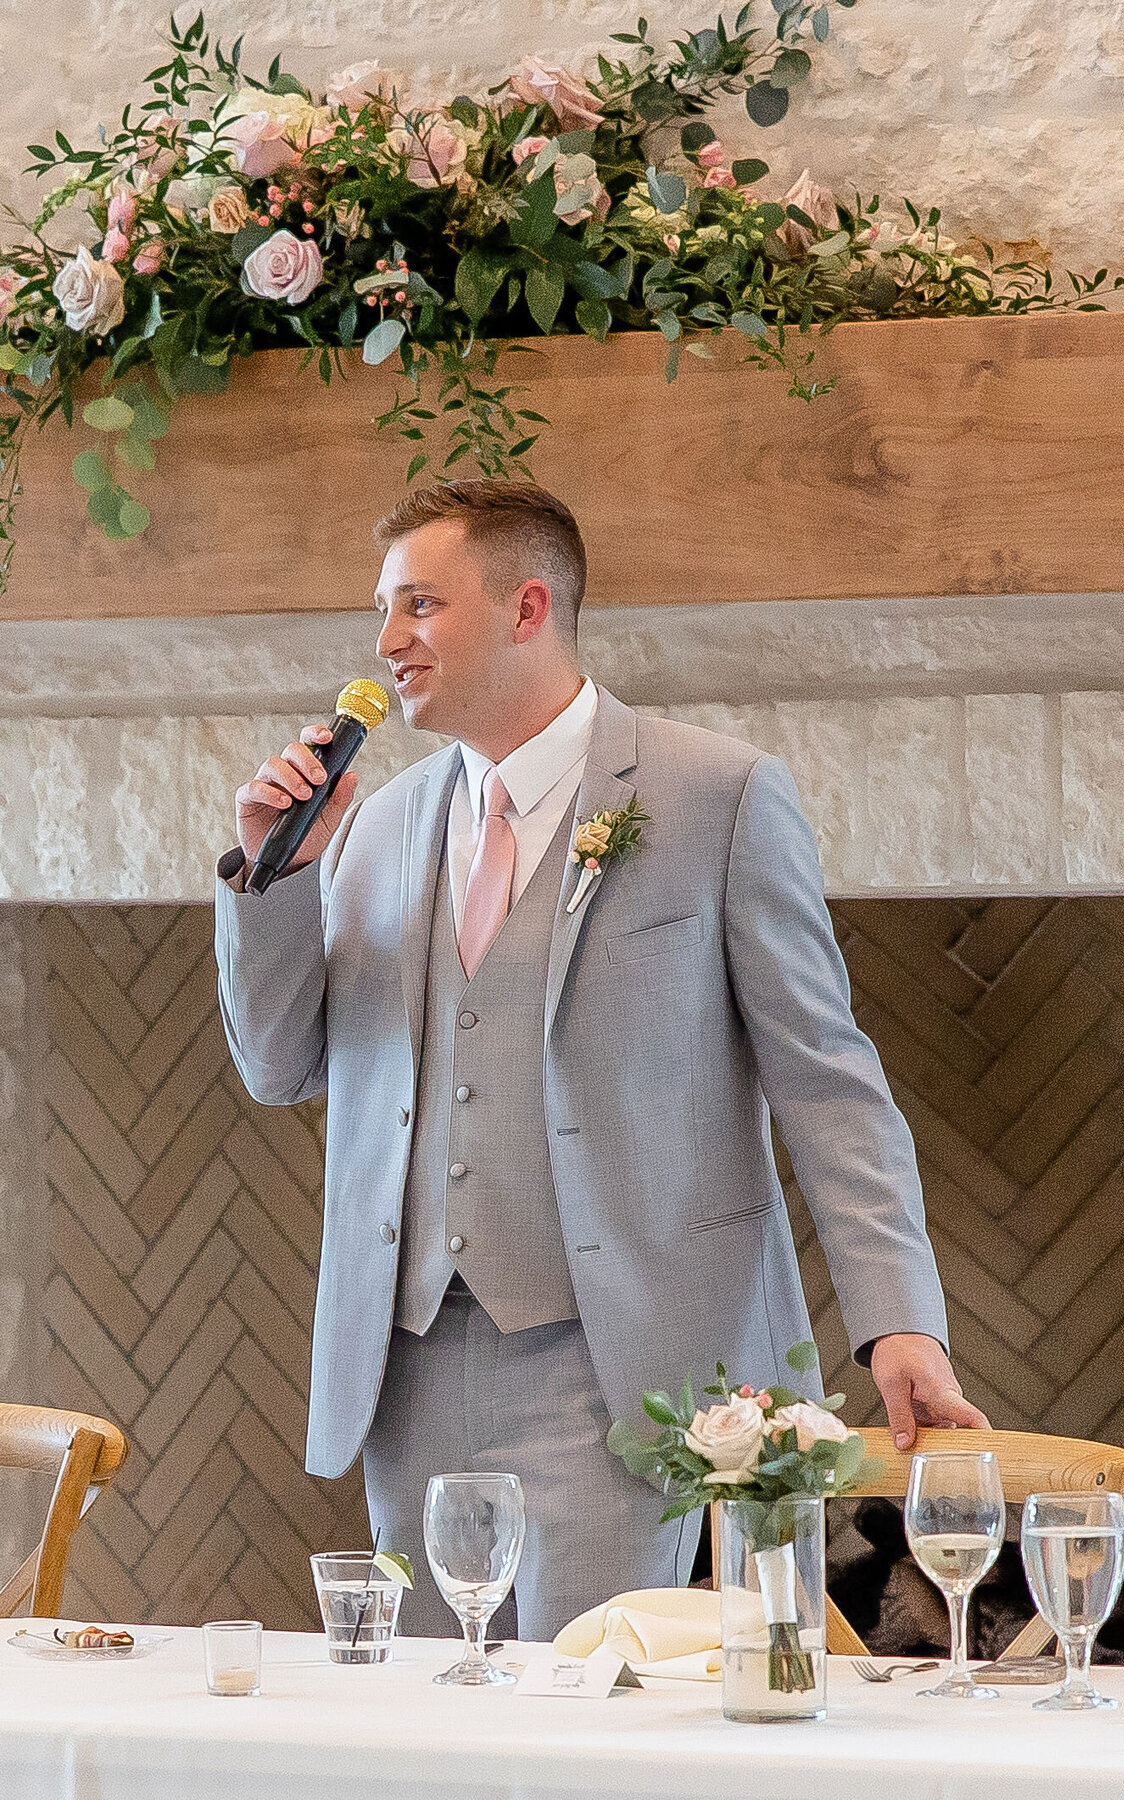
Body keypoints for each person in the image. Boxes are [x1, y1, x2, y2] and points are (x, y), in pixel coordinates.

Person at [214, 479, 987, 1639]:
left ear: (527, 607)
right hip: (408, 1364)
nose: (386, 644)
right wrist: (272, 879)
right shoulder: (375, 824)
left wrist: (900, 1321)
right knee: (421, 1738)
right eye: (384, 610)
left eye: (418, 606)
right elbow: (281, 1069)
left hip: (622, 1367)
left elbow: (828, 1081)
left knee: (587, 1720)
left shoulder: (716, 795)